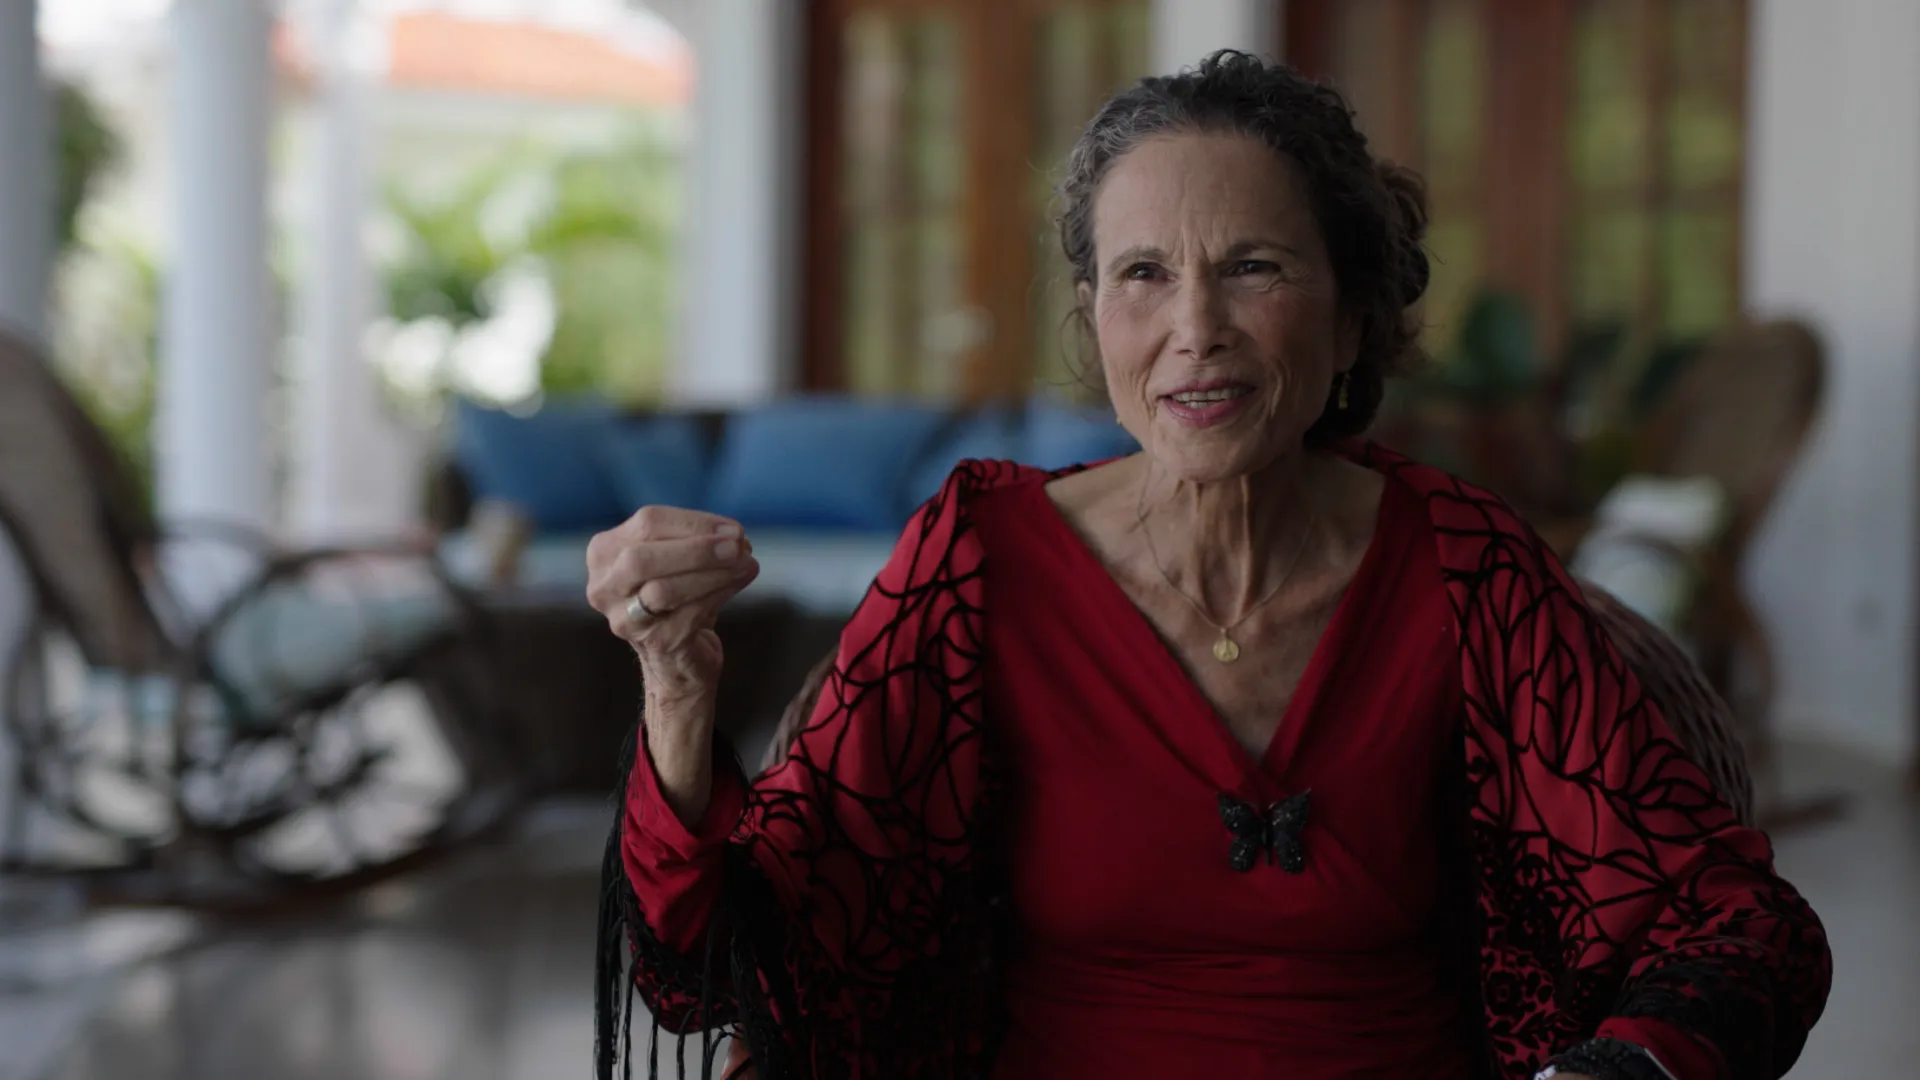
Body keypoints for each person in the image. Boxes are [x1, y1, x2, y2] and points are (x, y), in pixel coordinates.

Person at [588, 51, 1829, 1080]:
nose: (1196, 331)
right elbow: (738, 960)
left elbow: (1732, 920)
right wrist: (679, 687)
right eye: (1144, 275)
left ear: (1351, 318)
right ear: (1096, 322)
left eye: (1254, 267)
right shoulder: (979, 561)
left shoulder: (1466, 564)